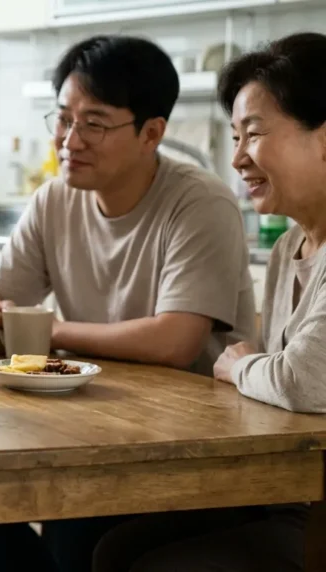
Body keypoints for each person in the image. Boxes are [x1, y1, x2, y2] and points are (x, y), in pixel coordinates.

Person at [0, 35, 256, 572]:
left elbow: (176, 340)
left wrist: (49, 332)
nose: (70, 140)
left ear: (151, 133)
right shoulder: (54, 199)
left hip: (189, 441)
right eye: (63, 119)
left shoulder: (200, 201)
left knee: (79, 531)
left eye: (94, 123)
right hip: (86, 422)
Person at [92, 31, 326, 572]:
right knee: (111, 548)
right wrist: (258, 368)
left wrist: (242, 365)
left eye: (254, 134)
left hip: (315, 511)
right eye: (235, 137)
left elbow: (301, 381)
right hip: (282, 490)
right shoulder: (290, 246)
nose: (238, 158)